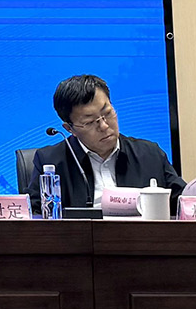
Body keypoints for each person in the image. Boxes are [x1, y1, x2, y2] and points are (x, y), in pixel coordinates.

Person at [25, 73, 183, 211]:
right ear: (70, 128)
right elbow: (33, 215)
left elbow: (183, 204)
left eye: (107, 113)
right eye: (89, 122)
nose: (104, 126)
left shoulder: (150, 154)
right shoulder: (50, 161)